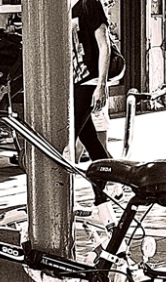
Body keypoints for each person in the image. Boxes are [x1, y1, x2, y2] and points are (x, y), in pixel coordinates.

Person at [70, 0, 113, 164]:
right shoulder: (66, 8)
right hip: (75, 82)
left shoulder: (90, 4)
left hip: (90, 81)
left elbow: (104, 45)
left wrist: (101, 85)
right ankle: (111, 186)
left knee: (68, 141)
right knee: (90, 141)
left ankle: (111, 185)